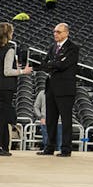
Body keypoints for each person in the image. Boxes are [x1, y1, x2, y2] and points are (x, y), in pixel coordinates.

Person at [0, 21, 31, 157]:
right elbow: (7, 72)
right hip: (6, 88)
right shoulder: (9, 49)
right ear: (7, 34)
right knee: (2, 118)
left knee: (3, 117)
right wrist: (23, 71)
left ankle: (4, 146)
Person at [38, 22, 79, 156]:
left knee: (66, 120)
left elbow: (63, 65)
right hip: (51, 88)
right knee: (50, 119)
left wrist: (52, 64)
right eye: (54, 31)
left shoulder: (73, 48)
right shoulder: (52, 47)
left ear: (66, 33)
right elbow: (43, 64)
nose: (55, 34)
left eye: (58, 32)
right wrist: (54, 64)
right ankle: (49, 147)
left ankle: (66, 149)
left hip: (65, 89)